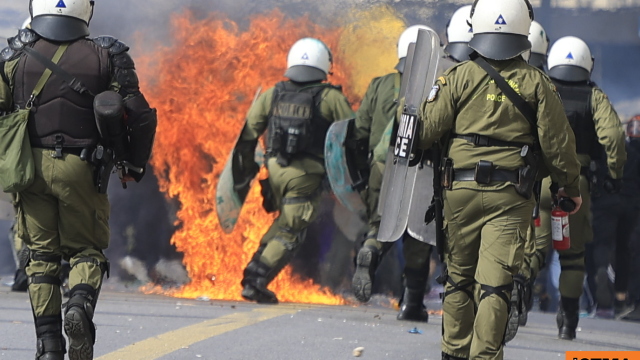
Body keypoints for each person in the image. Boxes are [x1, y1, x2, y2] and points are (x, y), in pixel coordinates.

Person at [416, 0, 583, 358]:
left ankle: (453, 352)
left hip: (457, 191)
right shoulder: (539, 84)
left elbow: (424, 133)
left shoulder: (457, 77)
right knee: (494, 286)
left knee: (458, 278)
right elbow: (557, 145)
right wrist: (569, 188)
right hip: (510, 196)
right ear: (524, 27)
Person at [0, 0, 157, 358]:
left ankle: (49, 347)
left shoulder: (13, 54)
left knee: (40, 257)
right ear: (85, 9)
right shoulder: (109, 55)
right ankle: (79, 305)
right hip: (83, 168)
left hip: (30, 169)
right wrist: (133, 164)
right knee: (85, 249)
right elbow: (139, 115)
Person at [239, 37, 354, 304]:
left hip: (275, 171)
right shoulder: (330, 98)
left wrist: (247, 170)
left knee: (283, 222)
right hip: (304, 177)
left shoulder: (273, 94)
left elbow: (248, 133)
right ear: (324, 65)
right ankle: (256, 280)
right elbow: (352, 136)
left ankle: (254, 270)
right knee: (292, 230)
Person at [531, 35, 626, 340]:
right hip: (575, 188)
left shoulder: (539, 88)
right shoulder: (593, 96)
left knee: (531, 248)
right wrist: (614, 174)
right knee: (572, 257)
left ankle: (516, 299)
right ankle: (567, 320)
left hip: (538, 182)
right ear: (588, 63)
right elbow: (612, 137)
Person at [351, 25, 435, 322]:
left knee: (381, 225)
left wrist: (362, 176)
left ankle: (371, 251)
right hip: (420, 171)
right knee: (418, 237)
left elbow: (358, 132)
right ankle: (411, 303)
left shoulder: (379, 84)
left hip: (381, 167)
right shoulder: (437, 86)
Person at [587, 115, 640, 319]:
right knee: (624, 249)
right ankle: (620, 296)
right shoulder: (636, 153)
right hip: (631, 204)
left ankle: (601, 271)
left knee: (601, 244)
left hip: (605, 203)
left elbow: (593, 172)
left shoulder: (603, 148)